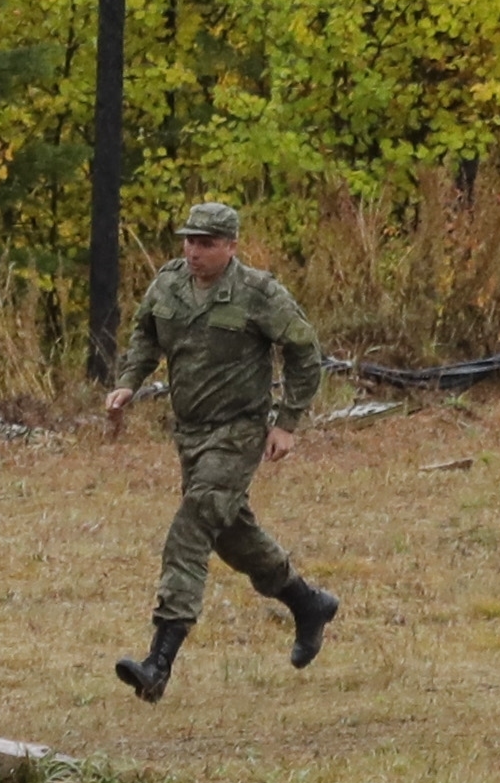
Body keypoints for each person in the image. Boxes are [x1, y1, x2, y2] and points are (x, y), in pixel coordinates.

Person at [100, 199, 337, 699]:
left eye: (206, 243)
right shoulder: (168, 284)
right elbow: (146, 334)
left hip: (238, 431)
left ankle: (158, 662)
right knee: (229, 531)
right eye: (189, 240)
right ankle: (307, 602)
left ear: (231, 246)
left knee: (194, 520)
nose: (194, 251)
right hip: (190, 432)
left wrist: (286, 423)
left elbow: (304, 352)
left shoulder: (258, 294)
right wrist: (128, 383)